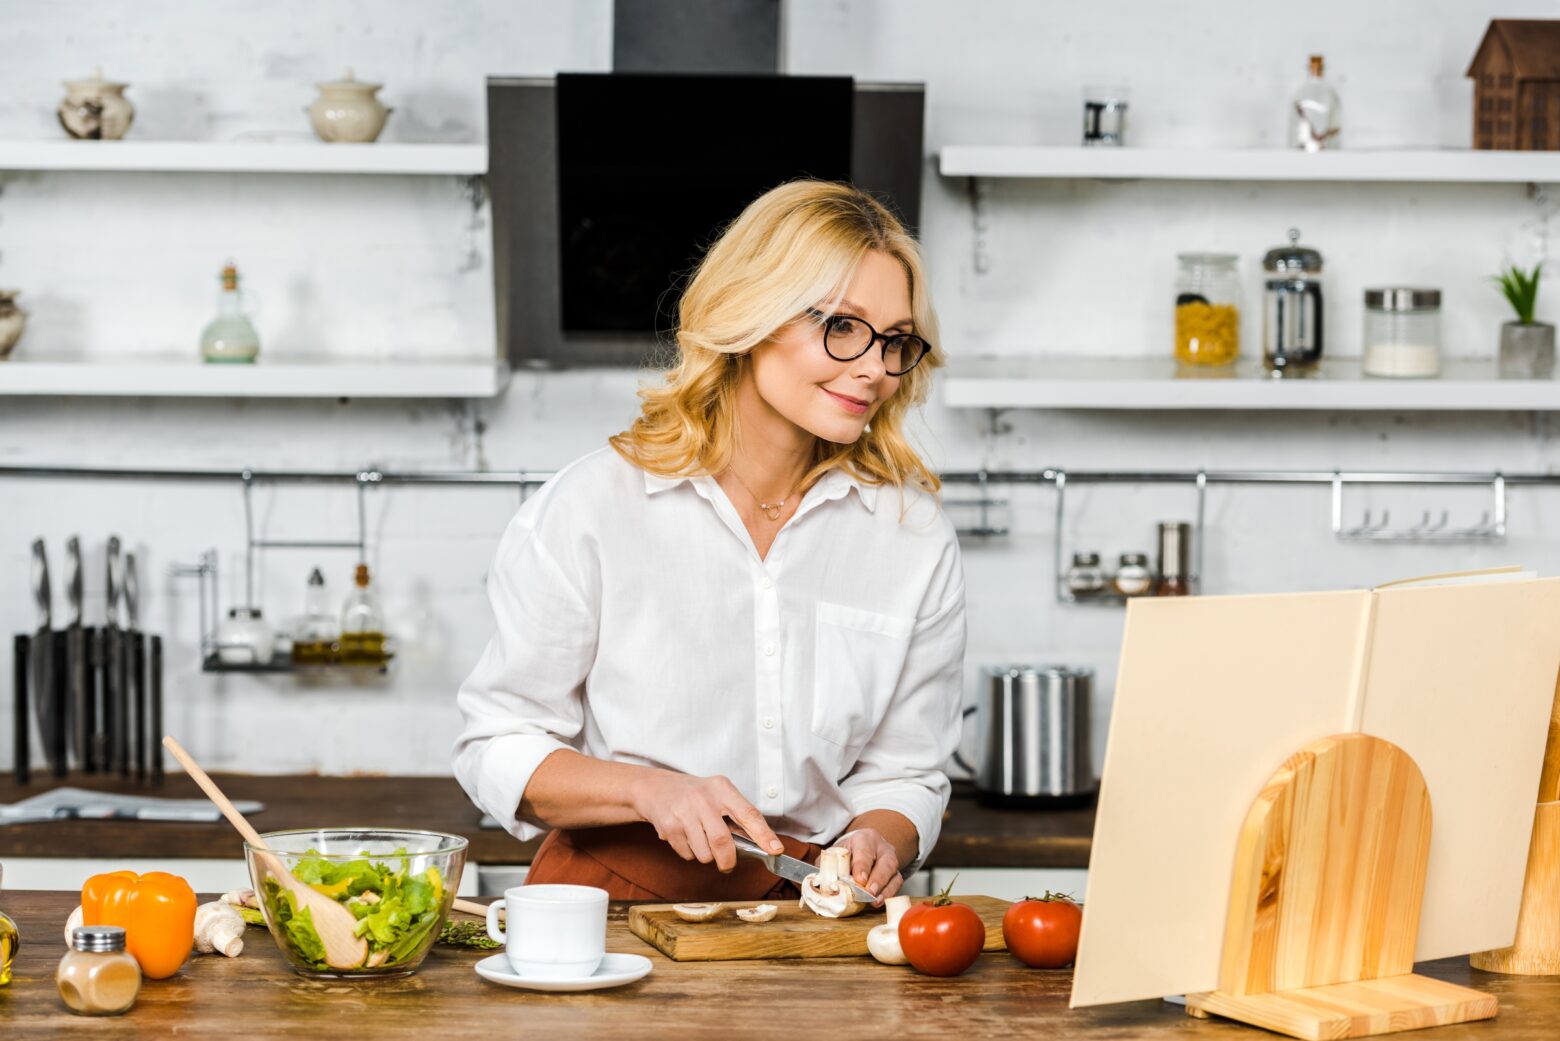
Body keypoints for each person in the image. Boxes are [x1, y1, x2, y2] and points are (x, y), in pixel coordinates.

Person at [453, 179, 966, 903]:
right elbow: (497, 744)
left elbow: (906, 771)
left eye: (895, 340)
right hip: (612, 906)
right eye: (844, 327)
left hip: (810, 915)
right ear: (753, 315)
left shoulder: (911, 537)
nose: (877, 367)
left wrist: (881, 835)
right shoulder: (593, 507)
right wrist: (648, 791)